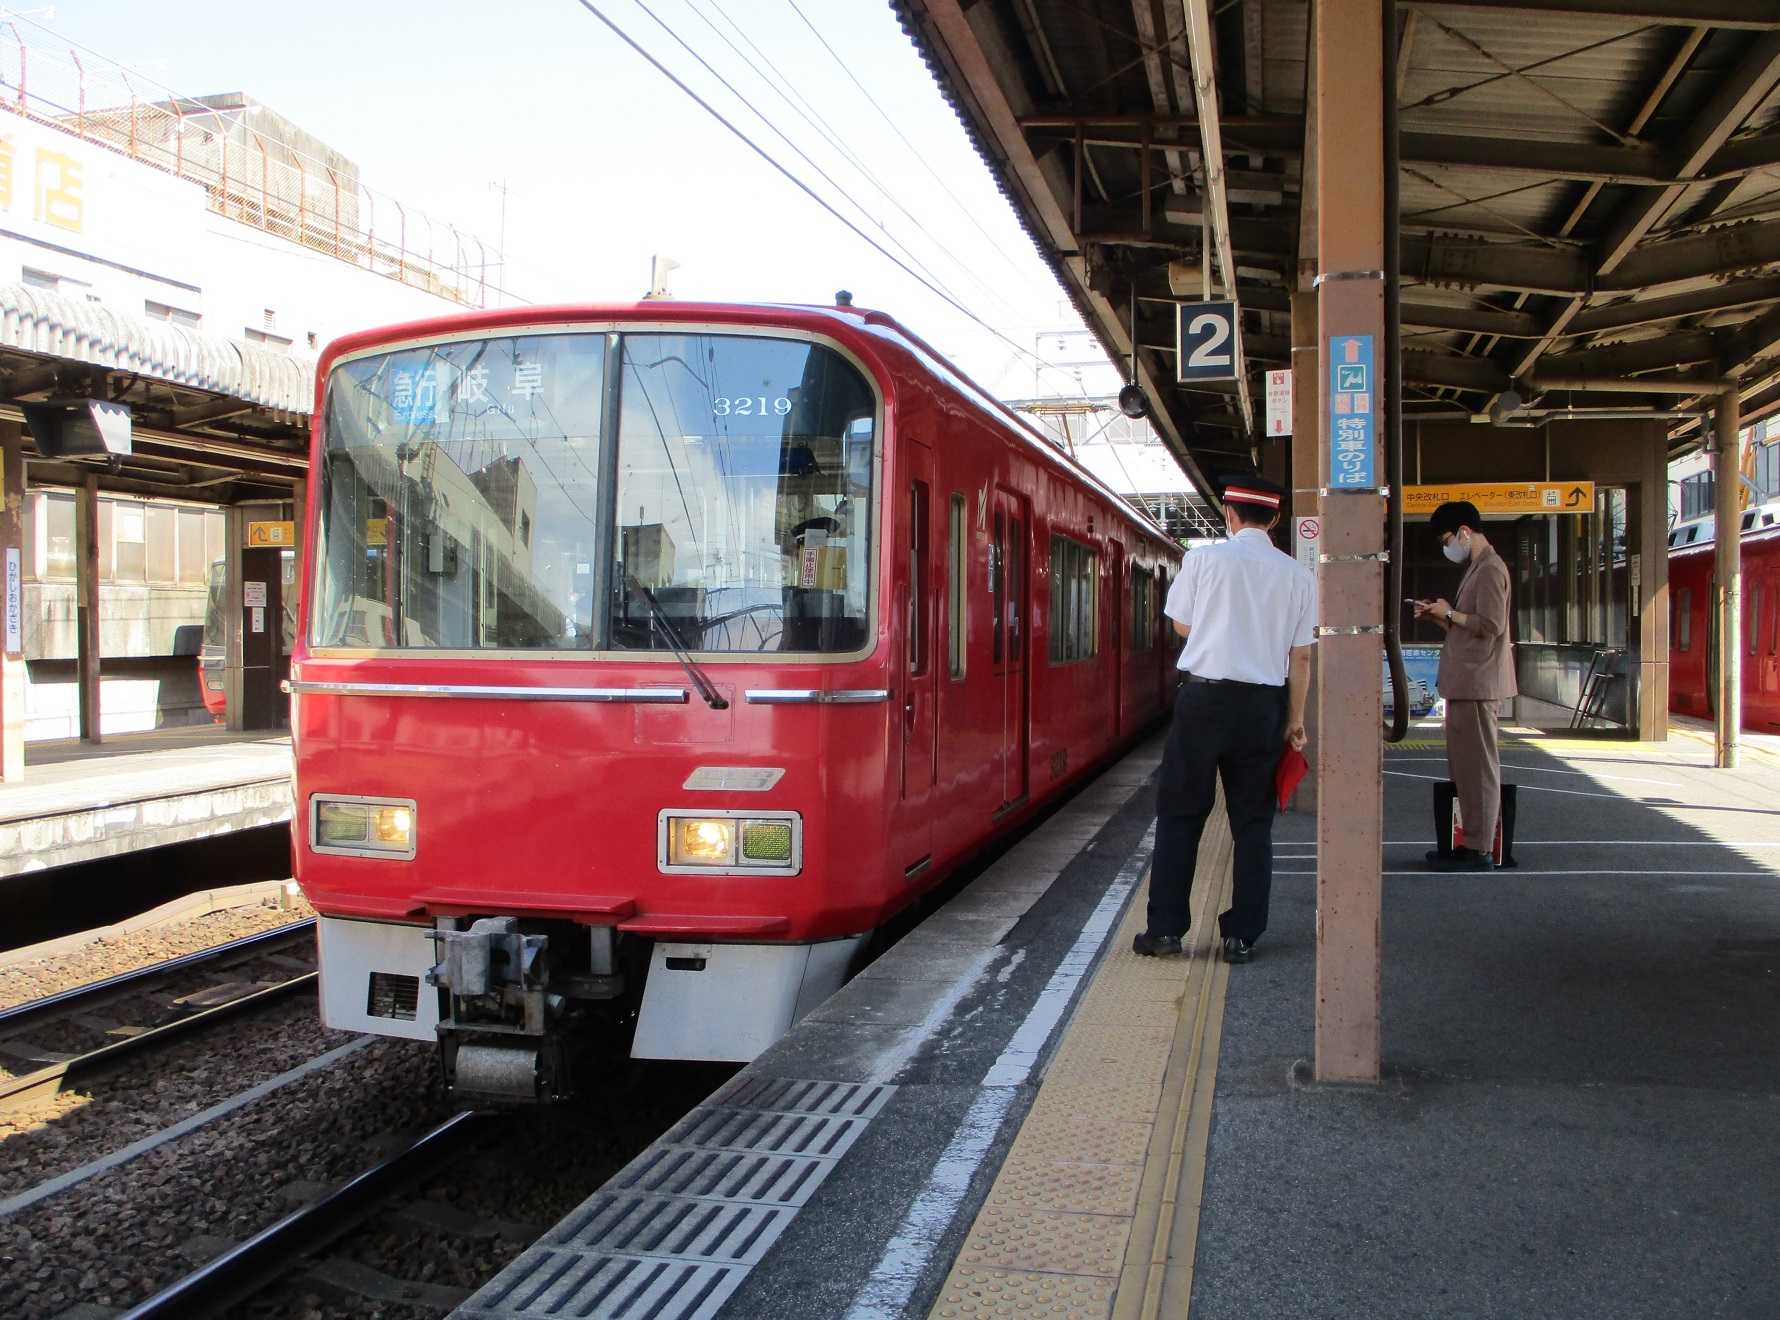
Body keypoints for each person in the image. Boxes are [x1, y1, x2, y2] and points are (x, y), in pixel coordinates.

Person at [1134, 475, 1315, 964]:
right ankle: (1241, 936)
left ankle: (1166, 930)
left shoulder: (1202, 559)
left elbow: (1182, 624)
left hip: (1203, 703)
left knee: (1180, 815)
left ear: (1230, 517)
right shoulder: (1299, 575)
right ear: (1275, 520)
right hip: (1263, 706)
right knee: (1253, 823)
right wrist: (1294, 719)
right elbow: (1301, 658)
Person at [1413, 500, 1516, 872]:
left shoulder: (1490, 569)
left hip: (1478, 682)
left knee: (1479, 769)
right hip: (1467, 681)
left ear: (1464, 532)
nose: (1447, 547)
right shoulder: (1479, 567)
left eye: (1447, 539)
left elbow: (1491, 625)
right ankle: (1471, 842)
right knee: (1467, 770)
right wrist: (1440, 615)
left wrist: (1450, 612)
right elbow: (1470, 629)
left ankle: (1479, 849)